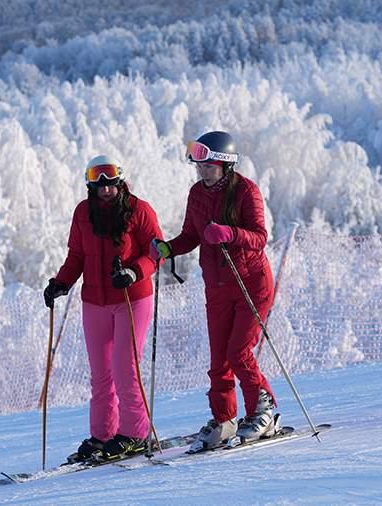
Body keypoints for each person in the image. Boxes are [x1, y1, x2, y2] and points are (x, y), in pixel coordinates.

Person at [150, 131, 279, 450]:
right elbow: (191, 235)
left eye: (208, 164)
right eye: (199, 164)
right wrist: (169, 249)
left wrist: (230, 233)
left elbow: (260, 237)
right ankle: (224, 420)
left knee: (239, 352)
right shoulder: (196, 194)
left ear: (225, 164)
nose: (201, 170)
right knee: (219, 358)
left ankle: (263, 412)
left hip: (251, 282)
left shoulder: (246, 191)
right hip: (217, 286)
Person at [43, 155, 162, 461]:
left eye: (111, 181)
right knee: (101, 373)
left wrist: (134, 271)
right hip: (94, 301)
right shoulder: (83, 213)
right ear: (90, 184)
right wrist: (62, 282)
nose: (106, 188)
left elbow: (156, 251)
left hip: (130, 299)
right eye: (99, 181)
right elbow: (76, 255)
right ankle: (102, 435)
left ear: (120, 181)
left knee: (125, 368)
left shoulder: (139, 209)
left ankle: (135, 433)